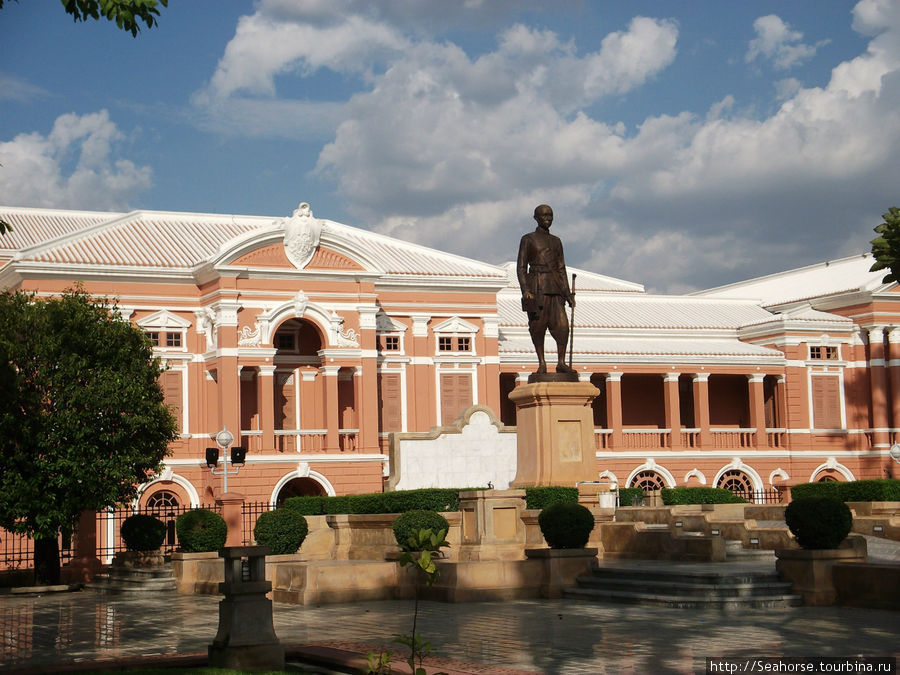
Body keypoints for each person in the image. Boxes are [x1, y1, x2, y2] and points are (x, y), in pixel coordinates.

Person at [516, 204, 576, 375]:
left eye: (550, 215)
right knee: (538, 327)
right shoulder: (528, 239)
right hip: (537, 288)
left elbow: (561, 268)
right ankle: (542, 363)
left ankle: (561, 362)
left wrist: (568, 294)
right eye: (544, 215)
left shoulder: (556, 241)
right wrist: (525, 290)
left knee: (562, 326)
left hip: (555, 289)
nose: (547, 218)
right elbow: (521, 267)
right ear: (536, 218)